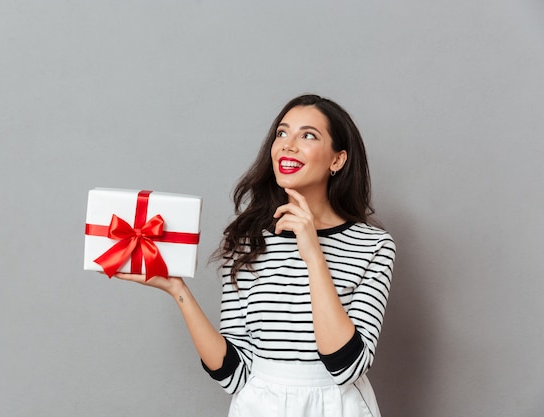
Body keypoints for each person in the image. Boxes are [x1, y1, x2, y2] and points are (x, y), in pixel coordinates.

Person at [115, 94, 396, 417]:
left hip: (337, 406)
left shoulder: (373, 246)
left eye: (308, 135)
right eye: (282, 133)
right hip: (261, 407)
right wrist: (178, 290)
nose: (288, 145)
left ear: (337, 160)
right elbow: (234, 375)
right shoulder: (247, 240)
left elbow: (347, 368)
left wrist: (313, 254)